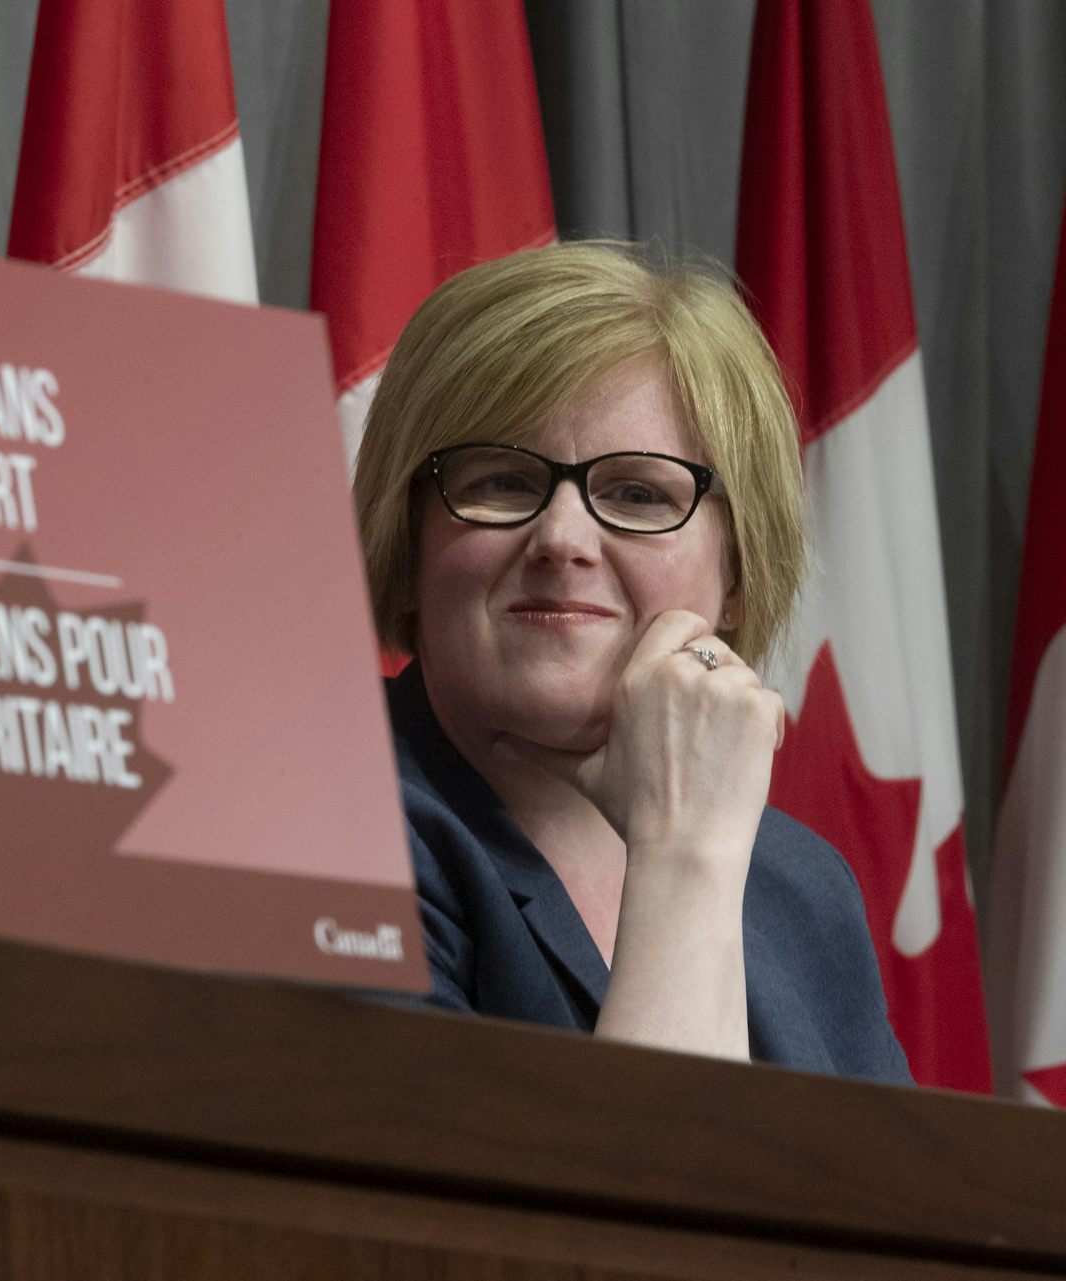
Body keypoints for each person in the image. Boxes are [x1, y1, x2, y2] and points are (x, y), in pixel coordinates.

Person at [353, 241, 912, 1084]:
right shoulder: (327, 837)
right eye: (502, 482)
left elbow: (891, 1210)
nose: (562, 540)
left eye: (638, 493)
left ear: (737, 575)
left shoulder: (800, 885)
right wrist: (683, 862)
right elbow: (628, 1210)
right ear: (411, 540)